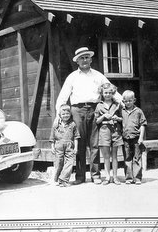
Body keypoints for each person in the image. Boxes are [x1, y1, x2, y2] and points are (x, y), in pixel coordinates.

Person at [55, 47, 122, 185]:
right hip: (77, 110)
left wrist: (125, 103)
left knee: (94, 142)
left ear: (90, 59)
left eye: (87, 57)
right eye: (81, 58)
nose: (84, 60)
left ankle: (95, 175)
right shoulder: (72, 77)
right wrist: (58, 114)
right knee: (79, 142)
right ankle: (80, 177)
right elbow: (63, 96)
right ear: (77, 61)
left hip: (95, 109)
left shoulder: (98, 75)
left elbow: (112, 91)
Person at [94, 83, 123, 185]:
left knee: (114, 156)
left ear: (113, 93)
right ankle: (107, 177)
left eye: (110, 93)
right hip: (104, 131)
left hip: (115, 131)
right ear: (102, 93)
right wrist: (103, 116)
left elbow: (122, 118)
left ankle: (115, 177)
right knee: (106, 156)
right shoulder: (99, 105)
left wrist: (117, 118)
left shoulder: (117, 104)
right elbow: (96, 121)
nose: (108, 95)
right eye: (105, 93)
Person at [49, 104, 80, 187]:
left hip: (69, 146)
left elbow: (76, 137)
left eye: (67, 114)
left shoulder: (73, 124)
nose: (65, 116)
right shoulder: (56, 125)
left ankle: (63, 179)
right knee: (59, 163)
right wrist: (52, 146)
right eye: (63, 114)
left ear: (70, 114)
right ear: (60, 115)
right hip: (58, 145)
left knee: (70, 162)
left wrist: (76, 147)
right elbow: (52, 137)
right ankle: (55, 179)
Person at [121, 90, 147, 185]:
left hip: (136, 138)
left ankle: (137, 178)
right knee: (127, 158)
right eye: (126, 101)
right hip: (126, 138)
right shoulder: (122, 111)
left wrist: (141, 138)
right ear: (123, 101)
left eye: (130, 100)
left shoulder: (138, 111)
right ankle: (128, 178)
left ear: (134, 100)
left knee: (137, 157)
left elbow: (143, 124)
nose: (128, 103)